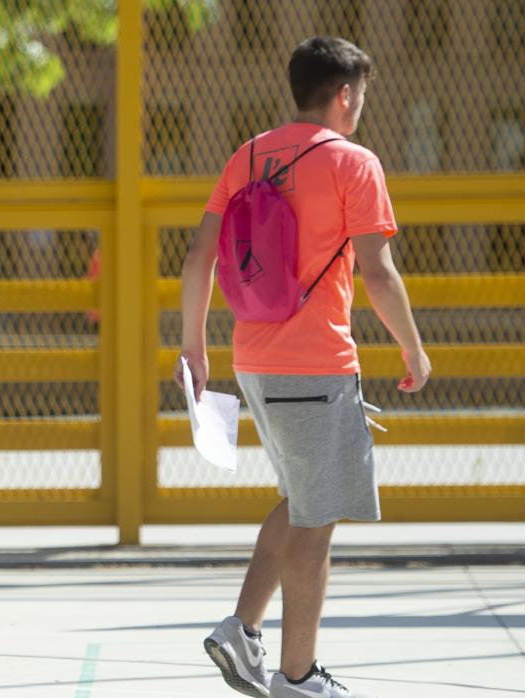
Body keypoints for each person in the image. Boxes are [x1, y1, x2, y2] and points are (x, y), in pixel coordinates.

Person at [175, 36, 431, 698]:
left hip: (254, 361)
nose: (361, 108)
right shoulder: (355, 163)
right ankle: (297, 676)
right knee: (317, 525)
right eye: (361, 97)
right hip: (315, 367)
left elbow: (197, 260)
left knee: (301, 503)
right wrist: (412, 346)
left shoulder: (249, 154)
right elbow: (377, 270)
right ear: (344, 94)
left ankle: (241, 631)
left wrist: (195, 349)